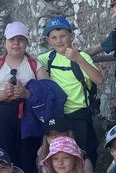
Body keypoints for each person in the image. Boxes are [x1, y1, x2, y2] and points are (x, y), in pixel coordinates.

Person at [0, 21, 49, 173]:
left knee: (29, 154)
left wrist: (26, 93)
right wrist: (4, 94)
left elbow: (47, 92)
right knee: (6, 155)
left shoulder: (34, 65)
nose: (16, 43)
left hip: (29, 116)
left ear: (26, 43)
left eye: (20, 39)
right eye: (12, 40)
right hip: (3, 116)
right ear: (5, 43)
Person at [41, 17, 104, 163]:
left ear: (72, 36)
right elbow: (30, 59)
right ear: (49, 41)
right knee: (62, 153)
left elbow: (99, 80)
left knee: (83, 152)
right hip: (59, 115)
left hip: (79, 113)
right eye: (54, 37)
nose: (59, 40)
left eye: (63, 36)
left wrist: (78, 59)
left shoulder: (82, 56)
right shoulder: (49, 58)